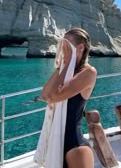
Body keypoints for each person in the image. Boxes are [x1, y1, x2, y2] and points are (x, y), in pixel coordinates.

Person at [41, 27, 97, 168]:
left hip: (75, 147)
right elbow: (45, 95)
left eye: (67, 45)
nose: (62, 48)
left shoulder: (89, 72)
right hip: (56, 142)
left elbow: (53, 97)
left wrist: (66, 61)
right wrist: (62, 66)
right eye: (62, 44)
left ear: (80, 48)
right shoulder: (67, 72)